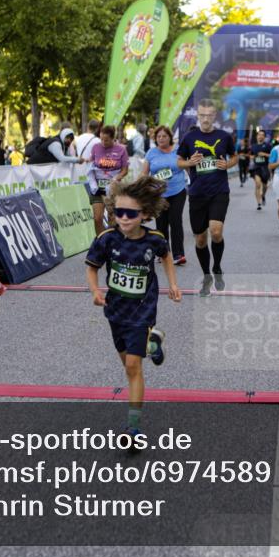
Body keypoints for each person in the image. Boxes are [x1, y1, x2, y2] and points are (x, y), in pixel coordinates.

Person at [85, 176, 181, 439]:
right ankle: (154, 342)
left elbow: (166, 256)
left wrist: (173, 283)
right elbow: (92, 268)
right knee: (127, 361)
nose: (124, 219)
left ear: (145, 215)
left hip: (143, 310)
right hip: (115, 312)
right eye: (118, 213)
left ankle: (134, 427)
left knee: (132, 368)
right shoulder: (106, 239)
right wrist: (95, 291)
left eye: (130, 213)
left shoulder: (154, 239)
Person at [176, 98, 236, 296]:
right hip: (197, 193)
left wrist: (227, 164)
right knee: (201, 240)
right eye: (202, 115)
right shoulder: (189, 137)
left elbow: (235, 156)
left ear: (215, 115)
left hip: (219, 191)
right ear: (198, 115)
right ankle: (207, 275)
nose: (206, 119)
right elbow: (179, 162)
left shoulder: (224, 136)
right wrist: (190, 163)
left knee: (216, 232)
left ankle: (217, 266)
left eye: (209, 115)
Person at [142, 125, 187, 265]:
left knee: (175, 220)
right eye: (158, 136)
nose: (161, 139)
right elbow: (144, 174)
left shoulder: (178, 151)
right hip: (159, 194)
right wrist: (140, 190)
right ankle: (163, 252)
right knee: (161, 224)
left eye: (164, 136)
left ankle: (179, 254)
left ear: (170, 137)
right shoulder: (151, 153)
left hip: (178, 190)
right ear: (155, 139)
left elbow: (187, 165)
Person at [89, 125, 129, 235]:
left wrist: (116, 178)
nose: (103, 142)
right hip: (97, 187)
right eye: (101, 139)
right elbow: (90, 165)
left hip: (113, 187)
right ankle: (101, 242)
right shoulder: (95, 147)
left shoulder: (121, 149)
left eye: (106, 140)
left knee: (113, 218)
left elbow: (125, 170)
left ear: (113, 138)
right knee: (97, 218)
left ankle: (113, 242)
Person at [250, 129, 273, 210]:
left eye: (262, 135)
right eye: (259, 134)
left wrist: (264, 154)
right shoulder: (253, 146)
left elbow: (272, 156)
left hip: (265, 168)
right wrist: (253, 157)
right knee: (258, 184)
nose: (260, 136)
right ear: (257, 136)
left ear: (264, 137)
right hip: (256, 168)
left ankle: (263, 195)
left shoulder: (268, 146)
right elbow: (251, 156)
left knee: (265, 186)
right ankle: (258, 203)